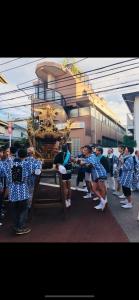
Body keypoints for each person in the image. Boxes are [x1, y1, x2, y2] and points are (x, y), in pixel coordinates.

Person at [2, 148, 38, 234]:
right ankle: (21, 227)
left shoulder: (8, 164)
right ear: (26, 155)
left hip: (12, 192)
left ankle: (15, 226)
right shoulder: (27, 164)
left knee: (14, 210)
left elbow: (3, 170)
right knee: (23, 210)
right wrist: (31, 156)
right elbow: (38, 167)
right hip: (23, 192)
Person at [81, 145, 107, 211]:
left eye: (85, 150)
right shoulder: (87, 157)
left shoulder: (92, 156)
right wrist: (82, 162)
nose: (83, 151)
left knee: (101, 188)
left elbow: (91, 164)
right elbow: (87, 164)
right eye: (83, 150)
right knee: (94, 189)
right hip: (95, 174)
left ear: (89, 151)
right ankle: (103, 201)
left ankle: (102, 203)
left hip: (100, 173)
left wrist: (82, 163)